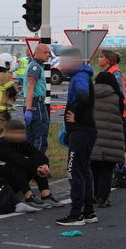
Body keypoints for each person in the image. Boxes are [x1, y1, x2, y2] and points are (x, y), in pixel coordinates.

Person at [56, 56, 98, 226]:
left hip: (80, 131)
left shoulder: (80, 76)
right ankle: (88, 212)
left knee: (75, 171)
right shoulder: (84, 75)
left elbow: (82, 96)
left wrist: (76, 115)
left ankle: (76, 214)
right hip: (86, 130)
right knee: (85, 171)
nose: (62, 66)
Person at [0, 119, 55, 213]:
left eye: (22, 133)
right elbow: (18, 160)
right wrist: (36, 167)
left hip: (13, 180)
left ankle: (46, 194)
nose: (22, 136)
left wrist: (45, 165)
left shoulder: (20, 143)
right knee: (18, 164)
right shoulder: (2, 144)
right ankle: (28, 196)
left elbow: (38, 154)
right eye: (18, 133)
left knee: (36, 160)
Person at [91, 71, 126, 208]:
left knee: (94, 169)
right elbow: (121, 114)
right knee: (107, 169)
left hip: (93, 136)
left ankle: (94, 195)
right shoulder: (116, 96)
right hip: (112, 138)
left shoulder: (90, 94)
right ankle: (103, 198)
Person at [97, 49, 126, 189]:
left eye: (101, 57)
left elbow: (119, 94)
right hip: (113, 114)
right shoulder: (110, 72)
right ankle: (118, 174)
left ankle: (120, 174)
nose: (99, 59)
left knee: (116, 146)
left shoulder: (114, 73)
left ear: (108, 60)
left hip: (117, 115)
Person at [23, 43, 52, 155]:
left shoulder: (37, 66)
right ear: (37, 52)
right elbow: (31, 87)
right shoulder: (35, 67)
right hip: (36, 105)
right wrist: (29, 109)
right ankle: (37, 164)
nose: (48, 55)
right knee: (40, 136)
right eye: (45, 52)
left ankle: (28, 163)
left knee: (30, 137)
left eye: (48, 52)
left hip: (33, 105)